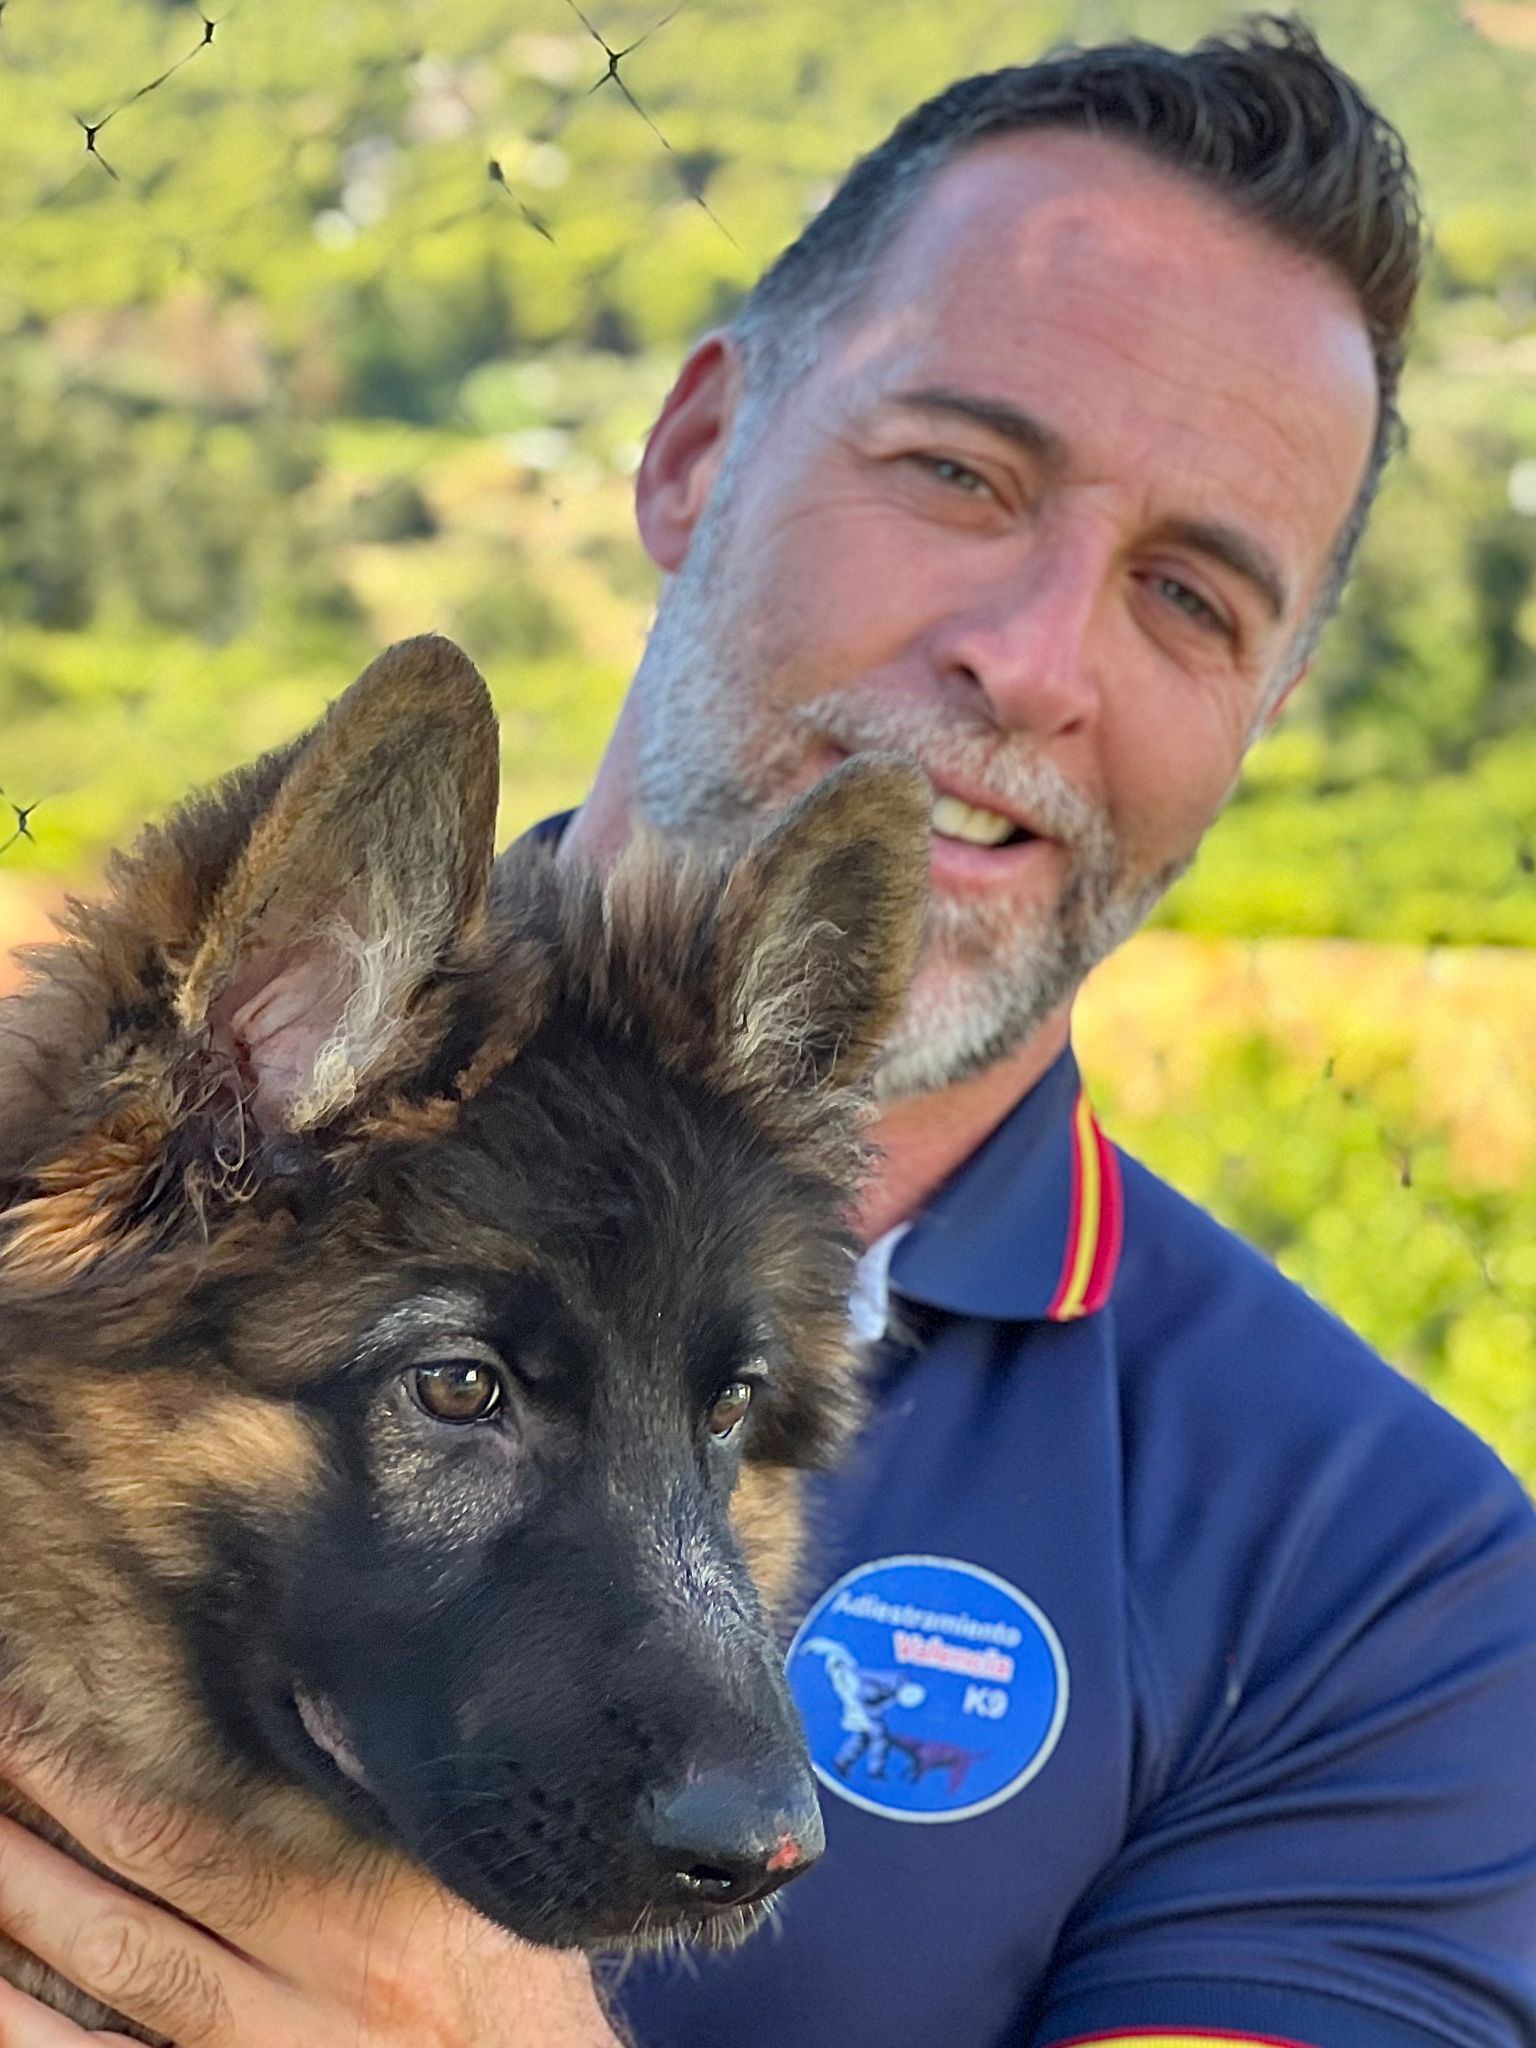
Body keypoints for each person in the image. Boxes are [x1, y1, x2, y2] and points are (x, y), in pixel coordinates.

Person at [3, 16, 1535, 2048]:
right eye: (961, 473)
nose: (1032, 661)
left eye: (1192, 597)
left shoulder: (1389, 1592)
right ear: (696, 449)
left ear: (1269, 711)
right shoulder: (178, 1156)